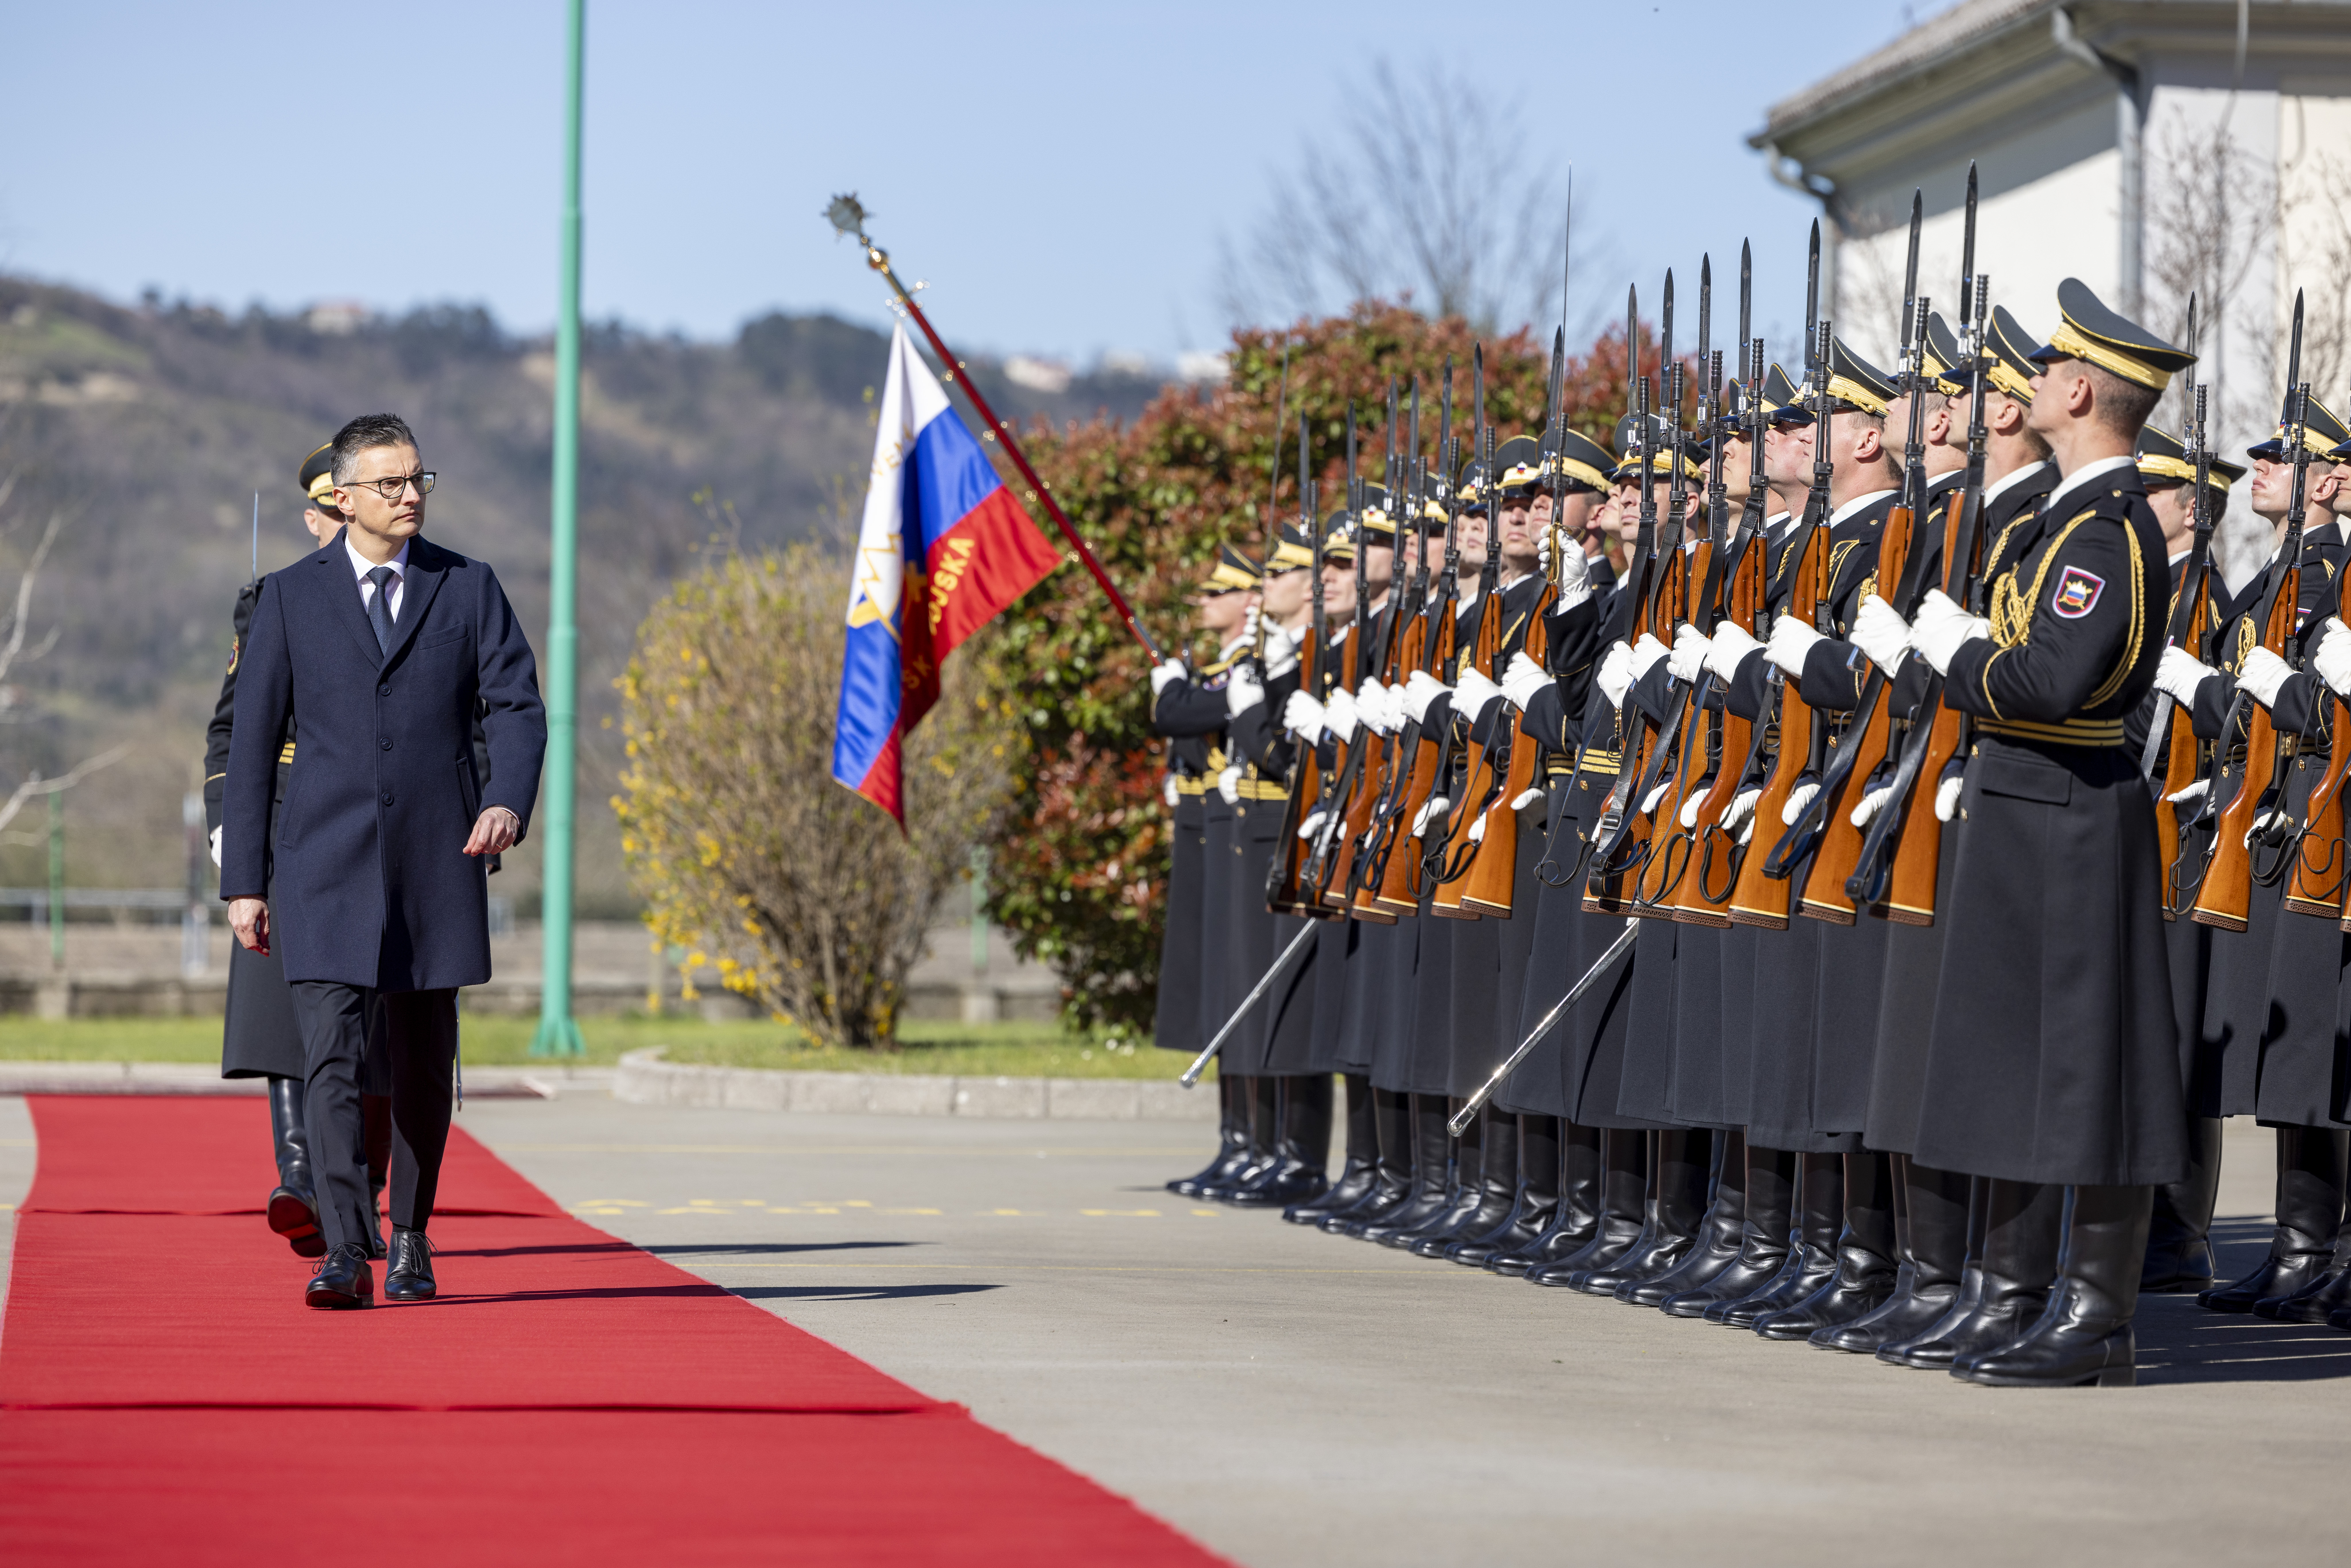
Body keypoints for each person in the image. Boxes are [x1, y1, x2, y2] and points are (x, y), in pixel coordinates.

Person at [1889, 278, 2192, 1385]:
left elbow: (2053, 679)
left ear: (2077, 389)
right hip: (2033, 811)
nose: (2023, 385)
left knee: (2084, 1071)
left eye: (2041, 371)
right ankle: (2009, 1291)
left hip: (2069, 815)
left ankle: (2095, 1315)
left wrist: (1953, 653)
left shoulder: (2104, 532)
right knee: (2010, 1063)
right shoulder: (2069, 520)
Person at [223, 413, 546, 1310]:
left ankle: (409, 1234)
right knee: (328, 1058)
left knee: (418, 1059)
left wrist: (505, 799)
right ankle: (342, 1248)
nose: (411, 497)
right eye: (392, 484)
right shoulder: (290, 598)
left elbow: (517, 707)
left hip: (434, 864)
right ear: (345, 497)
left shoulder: (468, 588)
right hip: (320, 866)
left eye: (419, 481)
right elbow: (252, 746)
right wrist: (245, 883)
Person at [205, 443, 391, 1257]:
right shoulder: (274, 602)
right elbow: (232, 735)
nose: (333, 525)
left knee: (378, 1025)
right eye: (326, 512)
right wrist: (230, 834)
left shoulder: (411, 594)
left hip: (379, 834)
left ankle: (355, 1189)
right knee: (290, 1008)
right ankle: (300, 1179)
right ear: (319, 515)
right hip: (286, 830)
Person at [1153, 548, 1260, 1196]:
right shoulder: (1220, 669)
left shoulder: (1242, 666)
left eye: (1218, 592)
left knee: (1239, 992)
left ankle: (1258, 1143)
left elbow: (1182, 715)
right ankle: (1236, 1139)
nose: (1205, 603)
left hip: (1242, 836)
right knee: (1220, 993)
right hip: (1208, 832)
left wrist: (1171, 689)